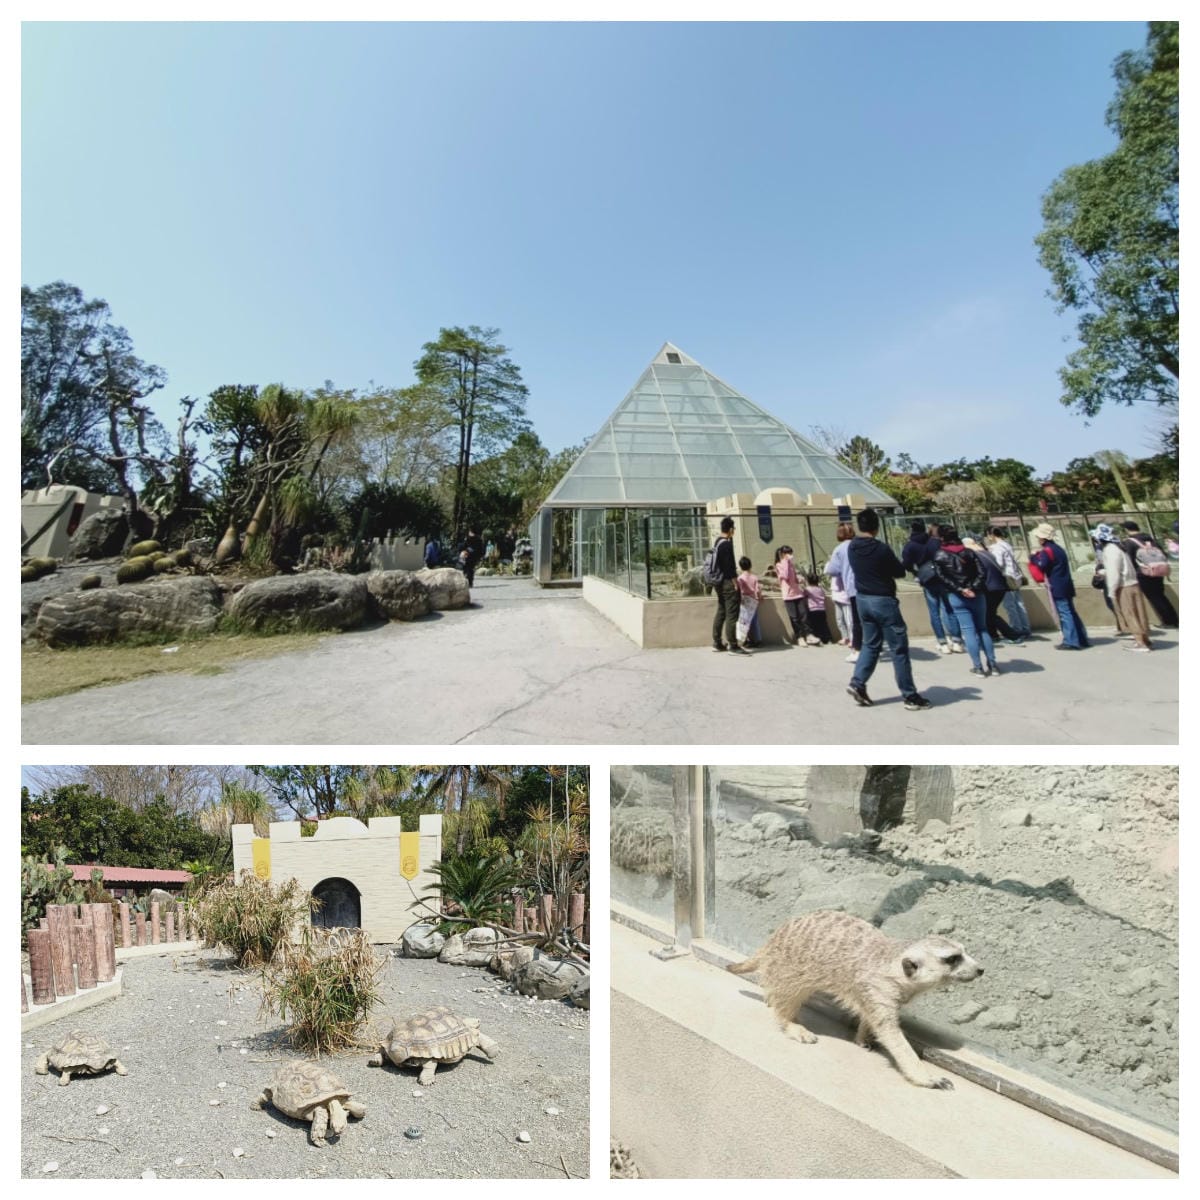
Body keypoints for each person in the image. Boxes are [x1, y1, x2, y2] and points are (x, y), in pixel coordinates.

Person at [845, 508, 931, 710]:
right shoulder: (881, 548)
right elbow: (899, 571)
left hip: (862, 600)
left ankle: (858, 682)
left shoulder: (852, 547)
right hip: (883, 600)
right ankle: (910, 695)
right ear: (876, 526)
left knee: (870, 645)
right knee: (898, 649)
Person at [931, 528, 998, 677]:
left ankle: (978, 667)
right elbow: (982, 572)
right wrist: (973, 587)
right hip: (976, 594)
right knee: (982, 629)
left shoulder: (940, 555)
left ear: (942, 539)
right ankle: (993, 665)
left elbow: (942, 577)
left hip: (957, 596)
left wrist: (960, 589)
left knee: (968, 631)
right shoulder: (970, 552)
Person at [900, 519, 963, 654]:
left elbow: (906, 564)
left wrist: (916, 572)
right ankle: (957, 640)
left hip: (927, 579)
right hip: (943, 577)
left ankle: (942, 642)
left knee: (934, 612)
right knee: (950, 609)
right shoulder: (935, 542)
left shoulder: (910, 545)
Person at [1028, 522, 1089, 650]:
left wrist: (1033, 557)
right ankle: (1081, 638)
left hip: (1056, 585)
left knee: (1064, 613)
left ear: (1043, 538)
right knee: (1071, 612)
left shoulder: (1047, 551)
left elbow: (1042, 565)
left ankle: (1071, 641)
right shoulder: (1059, 549)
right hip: (1066, 583)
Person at [1095, 525, 1153, 652]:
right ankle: (1145, 639)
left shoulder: (1110, 551)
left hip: (1124, 586)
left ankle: (1140, 642)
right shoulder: (1119, 547)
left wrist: (1111, 590)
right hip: (1133, 583)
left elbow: (1114, 571)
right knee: (1139, 613)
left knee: (1130, 614)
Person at [962, 535, 1022, 644]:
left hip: (991, 588)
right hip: (999, 587)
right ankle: (993, 635)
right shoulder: (986, 553)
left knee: (990, 614)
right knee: (989, 612)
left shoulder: (976, 556)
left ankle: (1013, 635)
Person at [1120, 521, 1178, 628]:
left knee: (1154, 597)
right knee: (1161, 595)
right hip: (1159, 570)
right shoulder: (1149, 538)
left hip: (1144, 573)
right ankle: (1174, 619)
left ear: (1126, 530)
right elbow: (1163, 553)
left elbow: (1130, 560)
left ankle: (1168, 621)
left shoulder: (1129, 542)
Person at [985, 526, 1032, 638]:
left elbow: (999, 563)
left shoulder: (997, 547)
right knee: (1019, 604)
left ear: (991, 535)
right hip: (1015, 577)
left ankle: (1016, 629)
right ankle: (1025, 627)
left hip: (1007, 578)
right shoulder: (1007, 545)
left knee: (1010, 605)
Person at [825, 522, 862, 662]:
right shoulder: (861, 545)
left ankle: (857, 648)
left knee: (855, 621)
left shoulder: (839, 549)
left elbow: (832, 570)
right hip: (869, 586)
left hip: (852, 588)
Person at [710, 517, 745, 654]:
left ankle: (717, 642)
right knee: (732, 613)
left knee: (721, 610)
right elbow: (729, 566)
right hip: (727, 582)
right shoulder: (727, 544)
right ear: (731, 529)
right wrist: (735, 583)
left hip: (718, 582)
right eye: (733, 528)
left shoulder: (718, 542)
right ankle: (733, 645)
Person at [774, 545, 821, 647]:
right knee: (794, 618)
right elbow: (785, 576)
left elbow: (793, 578)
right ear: (782, 554)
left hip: (797, 593)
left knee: (804, 615)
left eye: (791, 553)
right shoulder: (779, 565)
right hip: (788, 595)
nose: (790, 555)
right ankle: (799, 637)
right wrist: (786, 561)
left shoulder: (791, 564)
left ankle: (809, 635)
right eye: (788, 553)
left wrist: (799, 579)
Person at [735, 557, 763, 650]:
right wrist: (760, 597)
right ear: (750, 565)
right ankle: (758, 640)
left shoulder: (740, 578)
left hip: (744, 601)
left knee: (744, 621)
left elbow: (741, 591)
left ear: (741, 567)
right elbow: (757, 590)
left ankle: (744, 640)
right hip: (753, 601)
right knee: (754, 621)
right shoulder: (754, 577)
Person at [802, 571, 833, 644]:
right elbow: (824, 596)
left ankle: (818, 639)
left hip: (812, 610)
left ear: (808, 581)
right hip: (822, 610)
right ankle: (828, 639)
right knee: (823, 625)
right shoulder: (820, 589)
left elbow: (803, 596)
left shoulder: (808, 589)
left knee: (814, 625)